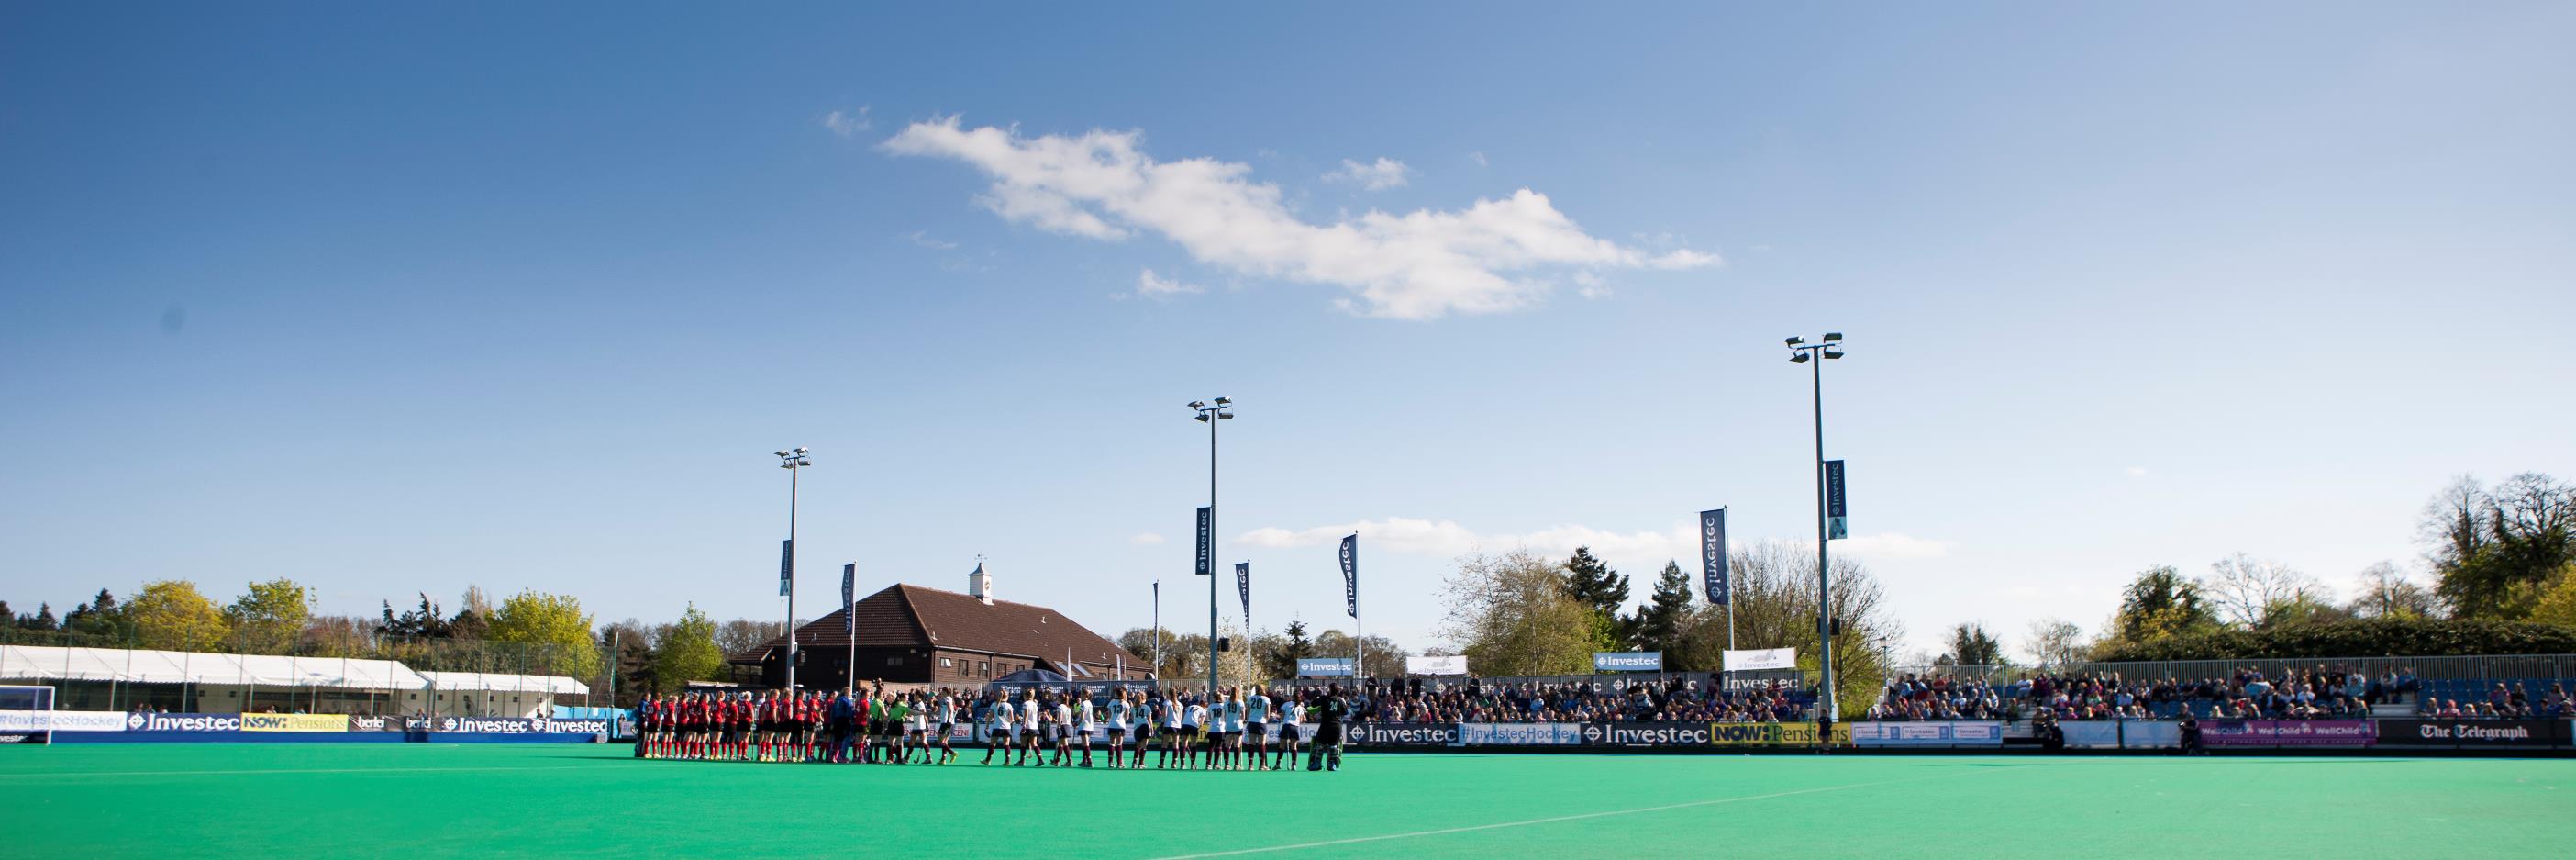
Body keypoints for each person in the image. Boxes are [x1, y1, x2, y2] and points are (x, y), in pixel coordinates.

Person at [1308, 685, 1348, 772]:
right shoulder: (1340, 700)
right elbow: (1345, 712)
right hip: (1337, 725)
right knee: (1333, 745)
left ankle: (1317, 763)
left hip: (1326, 725)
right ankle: (1332, 764)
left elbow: (1313, 704)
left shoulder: (1324, 698)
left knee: (1320, 744)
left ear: (1329, 690)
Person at [983, 691, 1016, 765]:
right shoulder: (1009, 705)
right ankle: (1007, 761)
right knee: (1006, 745)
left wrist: (987, 727)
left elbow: (990, 717)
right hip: (1006, 728)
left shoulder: (994, 704)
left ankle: (988, 760)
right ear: (1007, 697)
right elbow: (1012, 720)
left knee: (992, 745)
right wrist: (1007, 721)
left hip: (997, 728)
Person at [1244, 687, 1271, 771]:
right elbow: (1268, 714)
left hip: (1252, 722)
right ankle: (1262, 765)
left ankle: (1251, 765)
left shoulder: (1250, 698)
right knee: (1261, 744)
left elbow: (1247, 712)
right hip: (1261, 722)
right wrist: (1265, 721)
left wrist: (1250, 719)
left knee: (1251, 744)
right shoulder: (1266, 699)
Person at [1275, 692, 1304, 771]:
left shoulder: (1287, 704)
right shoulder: (1300, 707)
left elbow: (1282, 715)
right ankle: (1294, 765)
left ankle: (1278, 763)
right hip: (1295, 727)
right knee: (1294, 746)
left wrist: (1275, 715)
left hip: (1287, 726)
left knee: (1281, 746)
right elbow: (1301, 720)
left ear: (1292, 697)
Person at [1104, 689, 1131, 768]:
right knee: (1119, 744)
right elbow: (1127, 717)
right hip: (1121, 725)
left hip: (1112, 724)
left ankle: (1110, 762)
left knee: (1112, 743)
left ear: (1116, 694)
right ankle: (1120, 763)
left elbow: (1109, 715)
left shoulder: (1112, 702)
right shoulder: (1126, 704)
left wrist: (1112, 718)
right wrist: (1122, 720)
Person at [1019, 689, 1045, 765]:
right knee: (1034, 744)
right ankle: (1040, 759)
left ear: (1025, 696)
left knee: (1023, 744)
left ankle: (1022, 761)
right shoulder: (1034, 704)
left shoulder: (1026, 704)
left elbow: (1026, 715)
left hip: (1027, 726)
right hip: (1034, 727)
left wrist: (1024, 725)